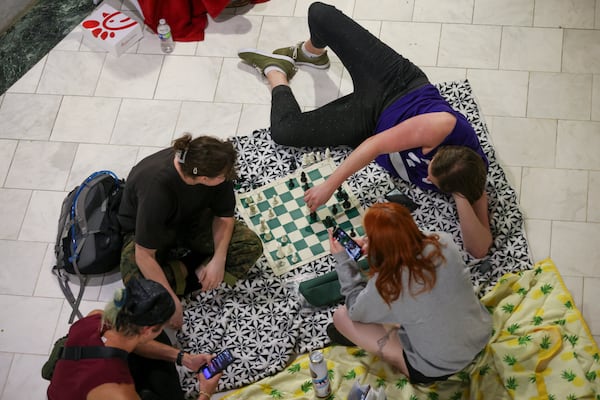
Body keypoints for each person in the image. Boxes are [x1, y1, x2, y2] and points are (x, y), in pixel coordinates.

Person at [237, 1, 492, 258]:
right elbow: (376, 146)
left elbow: (479, 249)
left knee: (284, 132)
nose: (426, 173)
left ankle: (276, 71)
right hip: (396, 83)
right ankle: (311, 52)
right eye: (431, 167)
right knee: (320, 13)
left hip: (369, 123)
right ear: (440, 151)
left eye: (432, 178)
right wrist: (329, 186)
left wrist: (462, 197)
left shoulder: (469, 178)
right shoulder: (441, 126)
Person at [326, 202, 492, 385]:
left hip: (435, 368)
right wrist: (377, 245)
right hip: (481, 335)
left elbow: (355, 309)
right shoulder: (444, 241)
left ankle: (401, 362)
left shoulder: (388, 283)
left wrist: (343, 260)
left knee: (341, 317)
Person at [118, 133, 263, 329]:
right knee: (138, 290)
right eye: (222, 177)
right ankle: (190, 272)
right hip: (148, 232)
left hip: (191, 220)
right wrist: (170, 300)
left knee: (249, 244)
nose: (228, 177)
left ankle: (185, 273)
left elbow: (224, 217)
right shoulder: (157, 190)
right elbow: (143, 255)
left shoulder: (216, 168)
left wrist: (218, 261)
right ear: (203, 178)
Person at [47, 278, 222, 400]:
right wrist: (205, 393)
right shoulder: (119, 391)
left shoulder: (96, 318)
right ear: (146, 330)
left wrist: (184, 358)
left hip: (74, 377)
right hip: (95, 387)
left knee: (157, 342)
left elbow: (134, 343)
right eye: (160, 326)